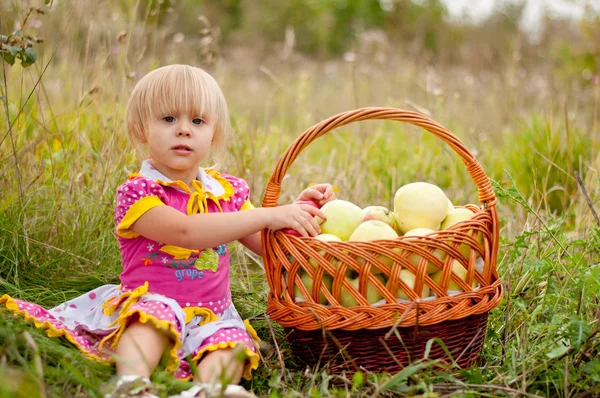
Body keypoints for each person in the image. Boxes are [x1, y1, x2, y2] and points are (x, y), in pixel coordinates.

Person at [0, 64, 336, 398]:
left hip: (213, 312)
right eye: (168, 119)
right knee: (148, 321)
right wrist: (268, 214)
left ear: (214, 134)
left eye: (198, 121)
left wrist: (298, 215)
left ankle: (212, 390)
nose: (184, 130)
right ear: (141, 129)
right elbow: (186, 232)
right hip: (153, 301)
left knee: (227, 342)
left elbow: (265, 244)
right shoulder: (139, 193)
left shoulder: (226, 192)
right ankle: (132, 384)